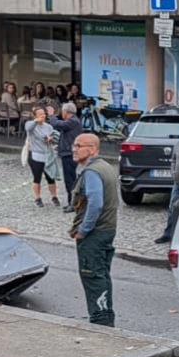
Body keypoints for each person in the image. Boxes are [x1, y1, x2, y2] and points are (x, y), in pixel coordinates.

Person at [69, 132, 118, 327]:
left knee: (92, 275)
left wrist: (83, 229)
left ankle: (100, 321)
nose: (74, 149)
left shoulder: (92, 172)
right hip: (107, 229)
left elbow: (96, 203)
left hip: (95, 233)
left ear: (92, 150)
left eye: (78, 145)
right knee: (102, 275)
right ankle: (106, 316)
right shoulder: (105, 167)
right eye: (74, 145)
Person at [47, 102, 83, 212]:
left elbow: (58, 124)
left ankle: (72, 203)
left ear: (66, 112)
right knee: (70, 179)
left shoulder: (72, 121)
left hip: (69, 154)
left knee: (70, 180)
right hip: (67, 152)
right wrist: (60, 145)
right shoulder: (73, 122)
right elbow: (67, 136)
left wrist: (52, 115)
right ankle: (72, 202)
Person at [24, 107, 61, 207]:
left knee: (50, 177)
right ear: (35, 116)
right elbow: (28, 128)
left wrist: (52, 139)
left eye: (44, 114)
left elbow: (54, 136)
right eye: (40, 114)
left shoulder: (48, 127)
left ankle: (54, 196)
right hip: (36, 154)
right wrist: (36, 121)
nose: (43, 116)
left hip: (47, 154)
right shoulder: (31, 124)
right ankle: (37, 198)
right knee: (37, 178)